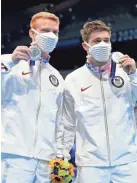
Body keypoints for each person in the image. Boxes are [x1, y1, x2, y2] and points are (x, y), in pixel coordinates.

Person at [60, 20, 137, 183]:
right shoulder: (73, 80)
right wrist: (62, 157)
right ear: (85, 46)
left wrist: (134, 75)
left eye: (106, 40)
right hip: (90, 166)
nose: (103, 44)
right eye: (97, 41)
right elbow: (67, 123)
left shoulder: (127, 73)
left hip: (127, 163)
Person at [1, 12, 64, 183]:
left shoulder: (57, 77)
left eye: (55, 32)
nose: (51, 36)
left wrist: (60, 157)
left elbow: (59, 121)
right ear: (32, 33)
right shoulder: (8, 64)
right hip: (14, 156)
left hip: (46, 161)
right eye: (45, 30)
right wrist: (9, 62)